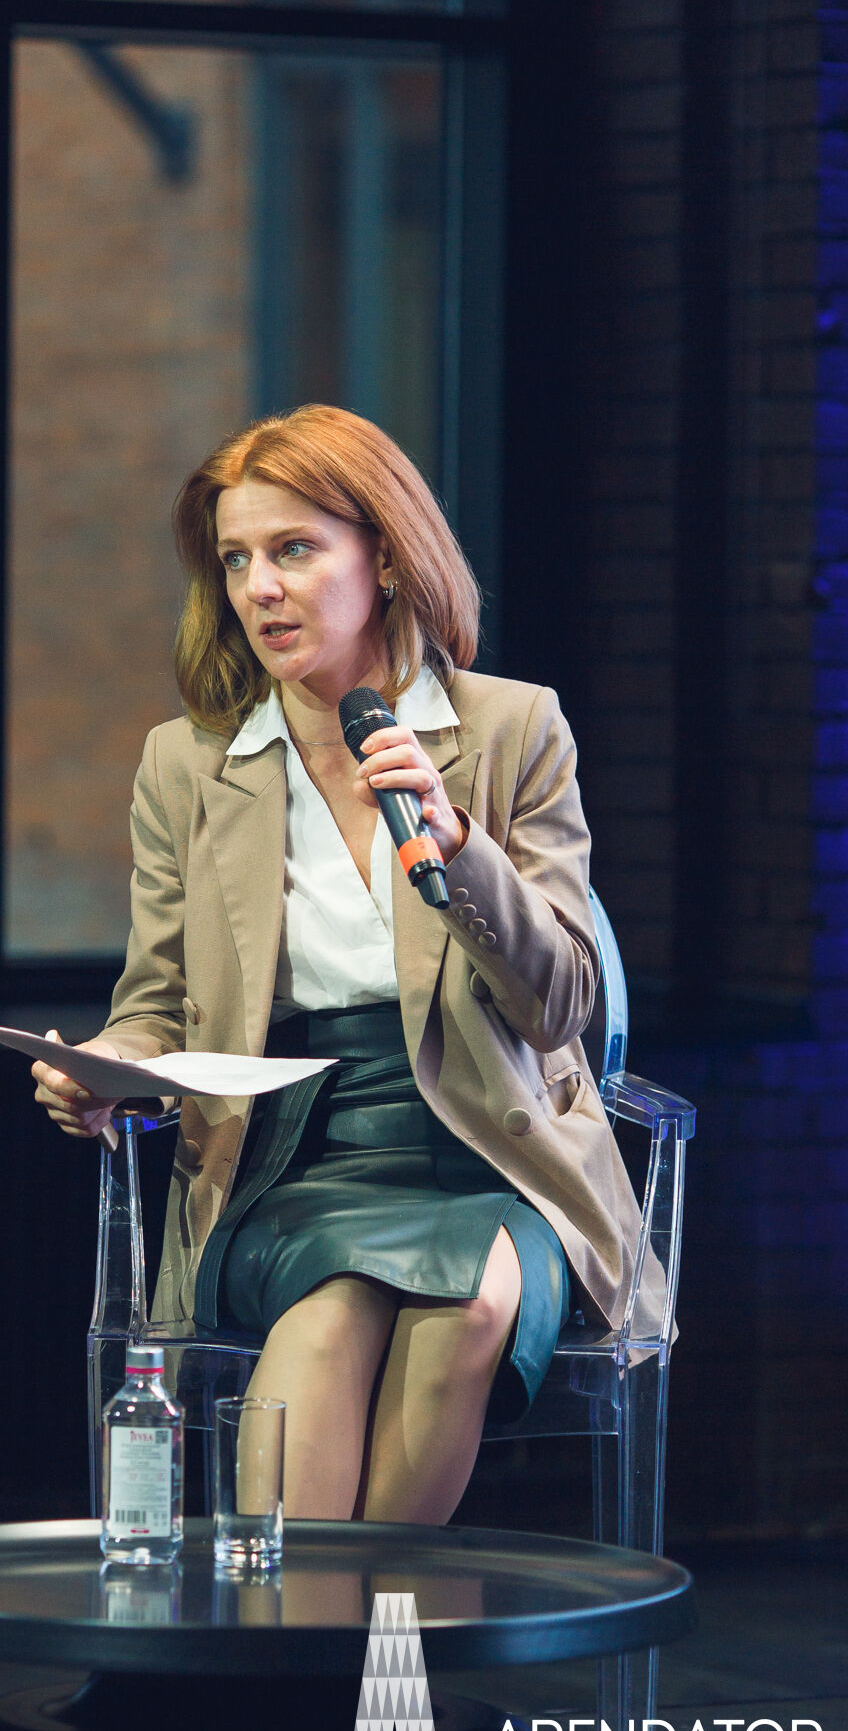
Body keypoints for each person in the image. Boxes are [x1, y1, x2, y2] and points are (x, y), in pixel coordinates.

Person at [33, 404, 654, 1526]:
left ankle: (343, 1632)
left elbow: (562, 1002)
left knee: (467, 1310)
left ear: (387, 557)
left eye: (294, 549)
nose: (260, 588)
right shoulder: (188, 766)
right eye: (235, 560)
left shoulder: (514, 731)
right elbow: (158, 1003)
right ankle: (341, 1632)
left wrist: (458, 846)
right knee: (324, 1320)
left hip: (492, 1152)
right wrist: (104, 1068)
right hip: (290, 1155)